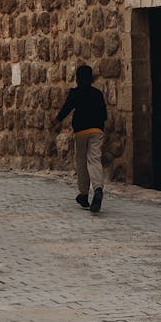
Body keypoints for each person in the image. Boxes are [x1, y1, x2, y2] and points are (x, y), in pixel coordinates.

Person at [54, 64, 107, 213]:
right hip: (97, 130)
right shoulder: (98, 94)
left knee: (82, 163)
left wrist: (57, 120)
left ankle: (84, 194)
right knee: (94, 160)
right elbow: (104, 115)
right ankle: (97, 188)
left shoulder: (75, 93)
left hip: (81, 132)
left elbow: (67, 108)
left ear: (77, 79)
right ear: (91, 79)